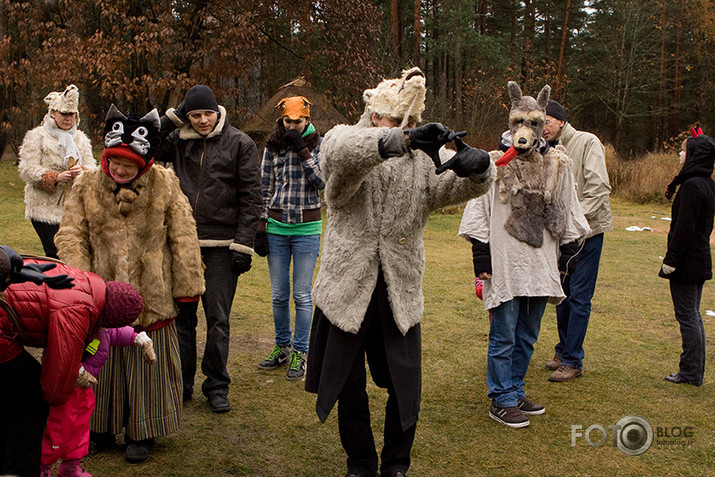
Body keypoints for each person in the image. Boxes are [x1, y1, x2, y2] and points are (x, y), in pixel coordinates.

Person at [305, 67, 495, 477]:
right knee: (348, 385)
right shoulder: (343, 138)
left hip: (399, 286)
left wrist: (478, 169)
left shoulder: (424, 161)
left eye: (399, 121)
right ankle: (360, 462)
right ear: (371, 114)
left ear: (412, 119)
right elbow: (341, 156)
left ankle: (396, 464)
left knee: (405, 384)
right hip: (347, 286)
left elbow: (452, 188)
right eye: (381, 118)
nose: (387, 125)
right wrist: (398, 141)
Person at [55, 104, 205, 463]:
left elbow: (184, 235)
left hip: (151, 292)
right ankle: (100, 427)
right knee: (99, 360)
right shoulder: (86, 184)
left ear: (145, 163)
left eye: (129, 165)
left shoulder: (165, 183)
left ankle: (144, 430)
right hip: (100, 291)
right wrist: (82, 283)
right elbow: (72, 234)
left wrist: (188, 287)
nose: (121, 169)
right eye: (115, 162)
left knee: (147, 360)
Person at [459, 82, 590, 428]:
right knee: (504, 333)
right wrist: (480, 254)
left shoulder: (556, 164)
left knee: (528, 334)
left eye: (534, 122)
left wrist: (568, 252)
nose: (526, 129)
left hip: (539, 264)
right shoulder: (494, 163)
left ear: (541, 123)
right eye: (520, 121)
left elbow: (569, 211)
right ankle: (501, 397)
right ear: (511, 121)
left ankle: (515, 390)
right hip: (505, 264)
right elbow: (479, 210)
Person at [157, 84, 262, 413]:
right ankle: (182, 383)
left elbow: (251, 197)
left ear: (218, 110)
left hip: (222, 245)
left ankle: (216, 385)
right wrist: (172, 117)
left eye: (207, 113)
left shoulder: (240, 143)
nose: (202, 120)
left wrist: (243, 245)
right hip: (183, 241)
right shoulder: (176, 141)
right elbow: (146, 143)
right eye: (195, 114)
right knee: (182, 319)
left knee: (218, 319)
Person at [0, 246, 142, 477]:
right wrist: (72, 384)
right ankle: (19, 469)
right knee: (31, 395)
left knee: (17, 387)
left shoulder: (87, 283)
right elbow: (56, 386)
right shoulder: (80, 309)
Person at [540, 99, 612, 382]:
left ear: (560, 121)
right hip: (562, 235)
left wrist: (574, 221)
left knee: (579, 296)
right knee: (561, 294)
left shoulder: (587, 142)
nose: (542, 128)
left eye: (545, 122)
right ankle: (562, 350)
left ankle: (573, 360)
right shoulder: (548, 149)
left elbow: (598, 189)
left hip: (587, 232)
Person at [254, 96, 324, 380]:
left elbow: (322, 182)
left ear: (307, 120)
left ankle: (300, 350)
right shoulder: (272, 146)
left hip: (307, 229)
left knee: (302, 295)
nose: (293, 126)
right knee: (279, 295)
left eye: (298, 121)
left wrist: (303, 151)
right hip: (277, 228)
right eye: (288, 121)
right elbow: (265, 186)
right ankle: (281, 346)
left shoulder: (320, 144)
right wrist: (261, 224)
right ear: (281, 121)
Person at [40, 323, 156, 477]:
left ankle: (72, 464)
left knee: (80, 427)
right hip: (62, 385)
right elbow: (59, 345)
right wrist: (76, 370)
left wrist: (137, 338)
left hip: (84, 388)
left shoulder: (102, 324)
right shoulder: (75, 319)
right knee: (57, 429)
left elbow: (113, 332)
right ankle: (43, 465)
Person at [660, 130, 715, 387]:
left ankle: (691, 371)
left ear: (694, 155)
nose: (680, 154)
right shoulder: (704, 182)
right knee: (693, 314)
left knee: (688, 316)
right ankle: (693, 370)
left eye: (684, 150)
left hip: (688, 262)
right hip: (698, 259)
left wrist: (671, 261)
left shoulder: (693, 186)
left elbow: (683, 229)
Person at [18, 85, 95, 258]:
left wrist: (82, 171)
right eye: (64, 114)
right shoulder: (37, 136)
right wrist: (56, 177)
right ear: (53, 113)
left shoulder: (80, 139)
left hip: (73, 208)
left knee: (75, 253)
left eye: (71, 115)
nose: (68, 119)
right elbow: (27, 169)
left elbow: (92, 168)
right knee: (54, 253)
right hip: (43, 208)